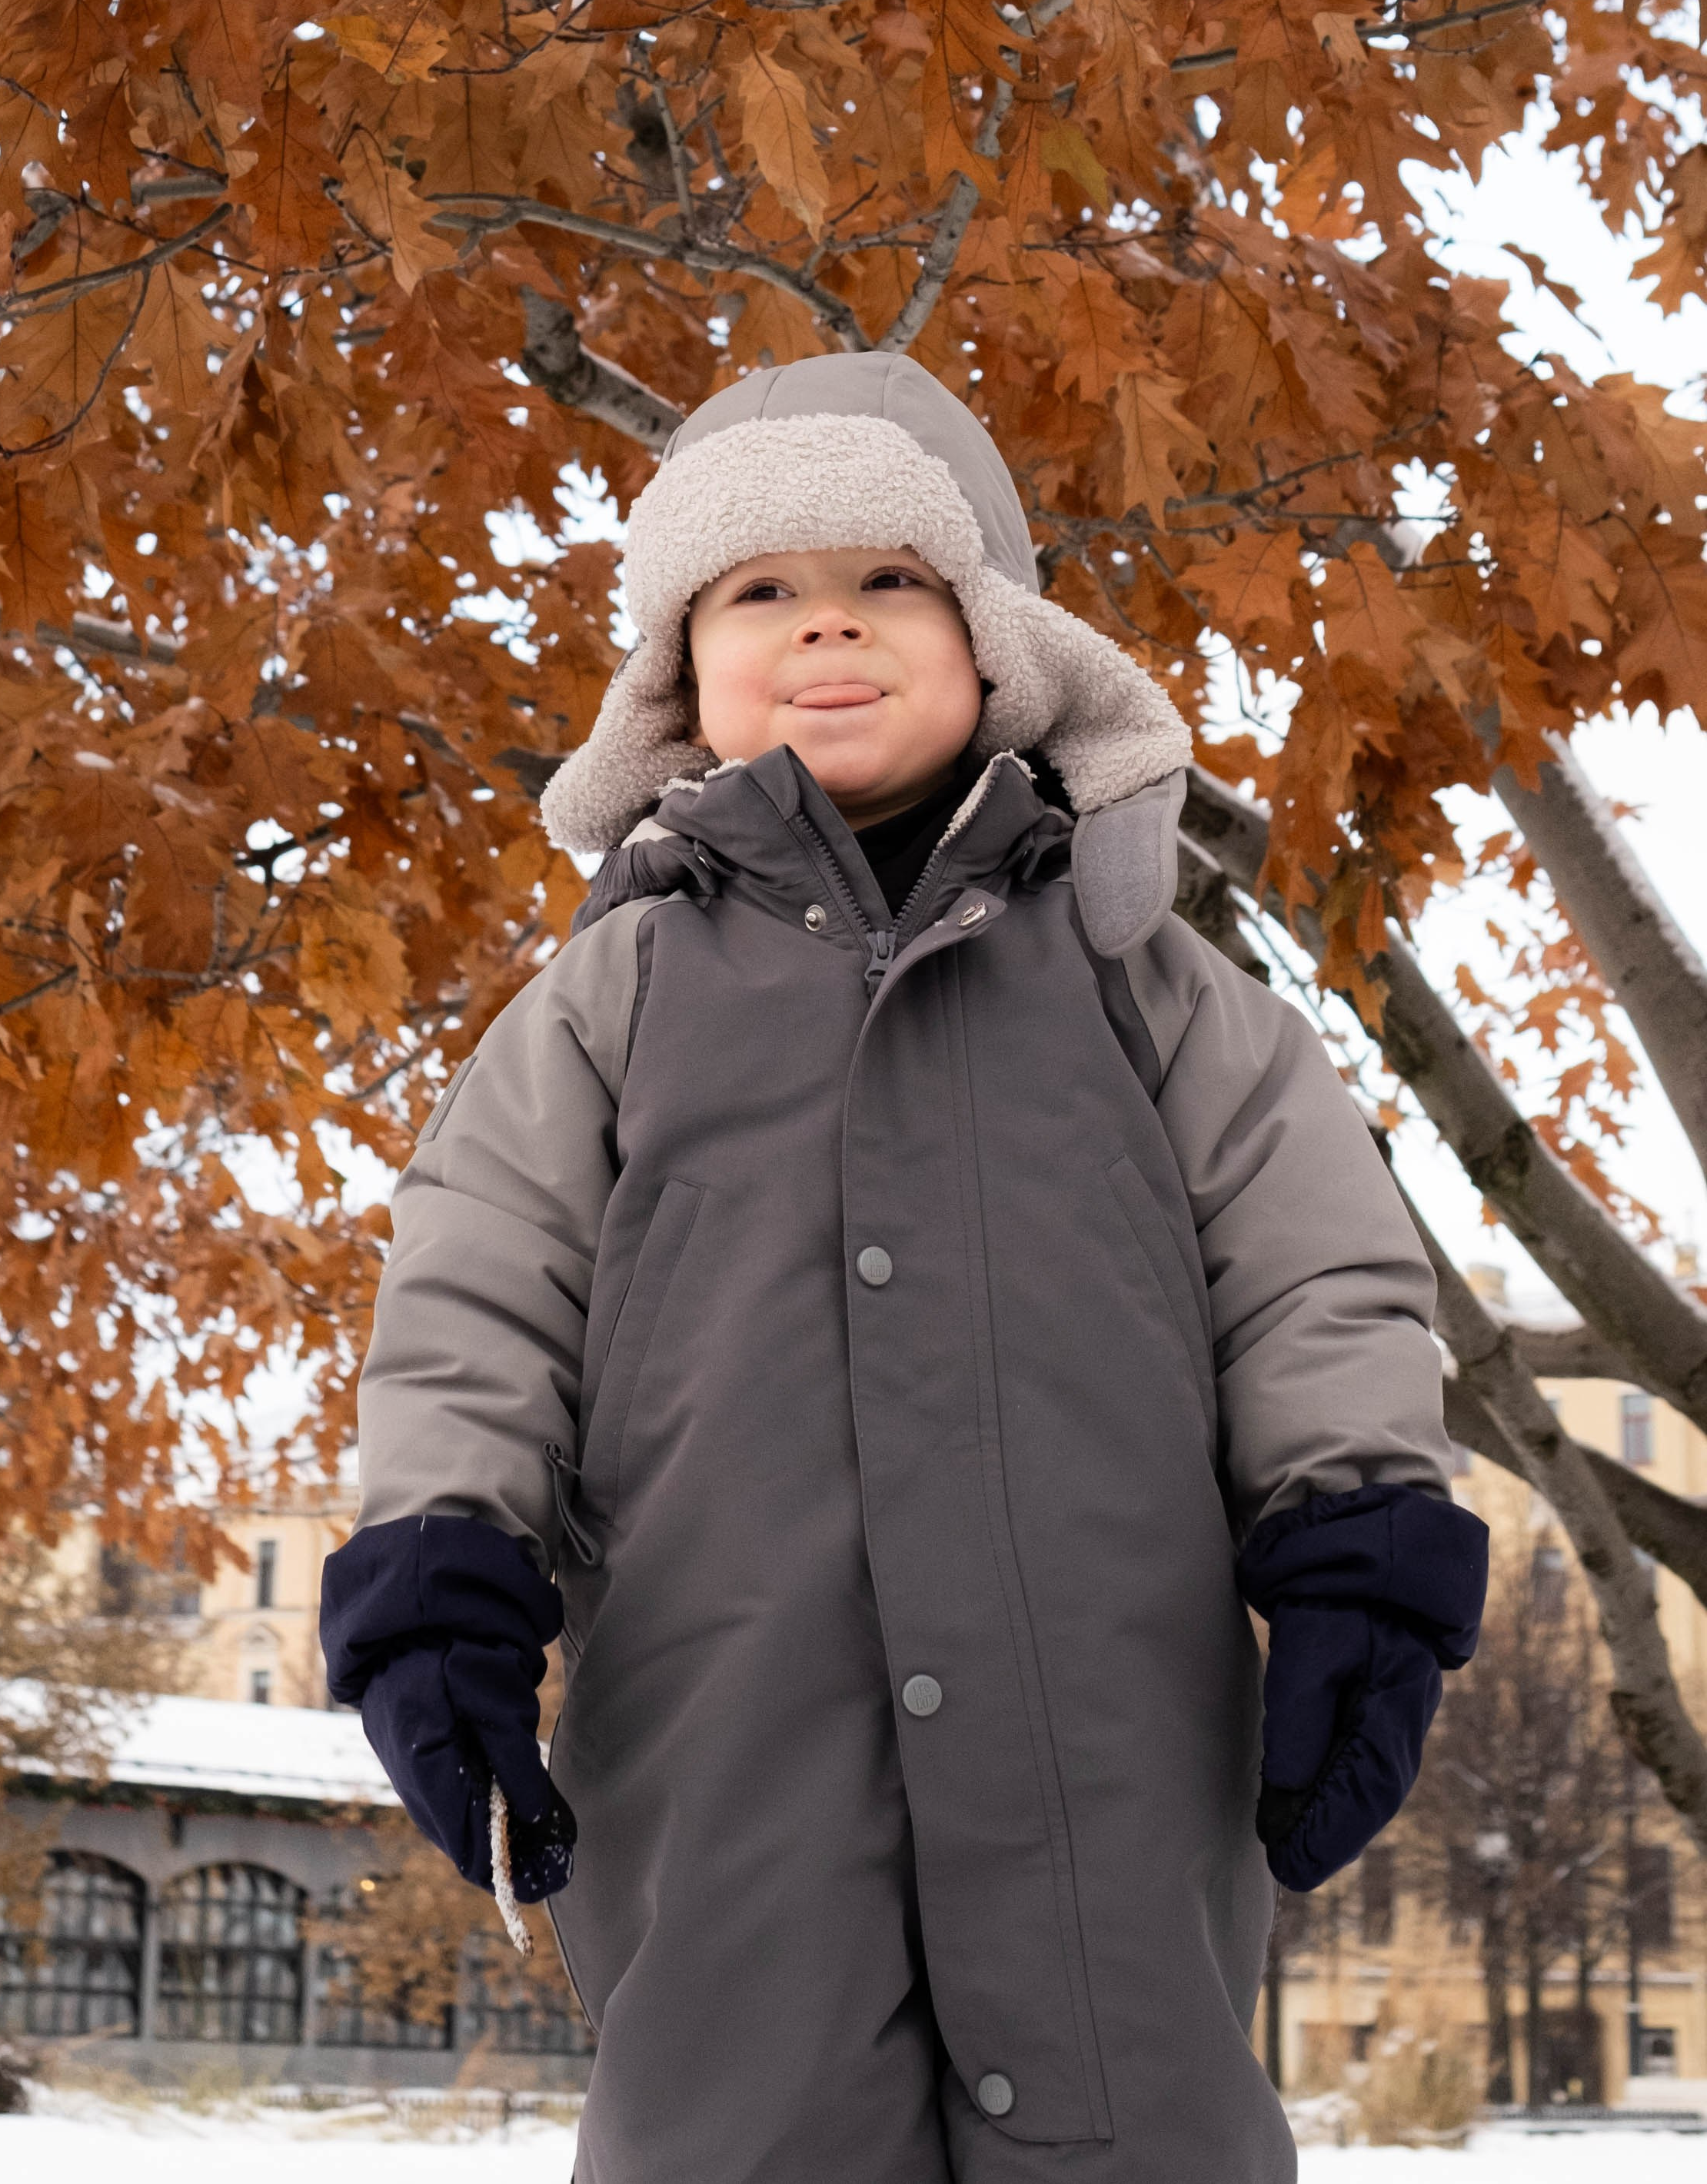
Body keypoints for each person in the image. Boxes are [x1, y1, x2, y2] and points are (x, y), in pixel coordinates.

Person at [321, 351, 1487, 2183]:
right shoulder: (609, 1004)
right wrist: (444, 1584)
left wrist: (1360, 1551)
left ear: (997, 642)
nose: (825, 632)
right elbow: (476, 1298)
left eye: (889, 584)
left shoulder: (1148, 985)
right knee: (743, 2130)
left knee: (1138, 2124)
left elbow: (1317, 1274)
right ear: (680, 681)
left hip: (1115, 1731)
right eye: (760, 593)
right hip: (728, 1740)